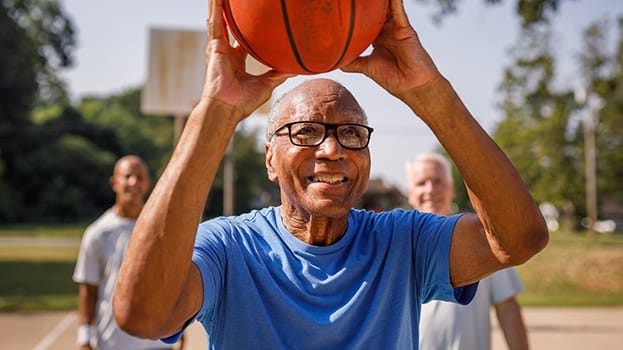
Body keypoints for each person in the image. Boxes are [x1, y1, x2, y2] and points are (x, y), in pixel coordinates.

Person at [112, 0, 549, 348]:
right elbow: (142, 314)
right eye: (305, 132)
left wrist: (428, 93)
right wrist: (215, 113)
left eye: (352, 133)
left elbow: (520, 238)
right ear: (270, 159)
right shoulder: (228, 248)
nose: (333, 149)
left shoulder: (404, 243)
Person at [406, 153, 530, 350]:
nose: (430, 189)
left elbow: (507, 307)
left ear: (452, 188)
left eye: (438, 181)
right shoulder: (395, 242)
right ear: (410, 193)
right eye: (422, 183)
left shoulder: (480, 237)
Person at [73, 155, 182, 350]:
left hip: (156, 340)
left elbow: (169, 283)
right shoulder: (97, 234)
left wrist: (180, 327)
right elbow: (89, 291)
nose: (133, 182)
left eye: (139, 177)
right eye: (127, 176)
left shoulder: (161, 229)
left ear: (147, 184)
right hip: (114, 340)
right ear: (114, 182)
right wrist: (85, 337)